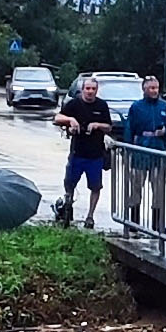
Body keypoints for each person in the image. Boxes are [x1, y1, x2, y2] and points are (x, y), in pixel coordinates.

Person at [117, 72, 166, 233]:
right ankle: (134, 222)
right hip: (140, 152)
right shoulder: (136, 107)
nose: (154, 91)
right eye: (151, 88)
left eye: (156, 88)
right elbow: (129, 129)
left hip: (159, 151)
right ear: (144, 89)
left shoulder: (165, 107)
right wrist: (128, 149)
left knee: (158, 189)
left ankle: (157, 223)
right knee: (136, 187)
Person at [53, 76, 116, 227]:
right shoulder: (74, 104)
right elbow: (57, 118)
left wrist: (97, 125)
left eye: (93, 89)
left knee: (95, 187)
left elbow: (109, 127)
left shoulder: (101, 105)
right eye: (87, 89)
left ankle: (90, 216)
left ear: (96, 90)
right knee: (69, 184)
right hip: (77, 153)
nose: (90, 92)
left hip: (95, 155)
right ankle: (68, 209)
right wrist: (70, 121)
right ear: (82, 90)